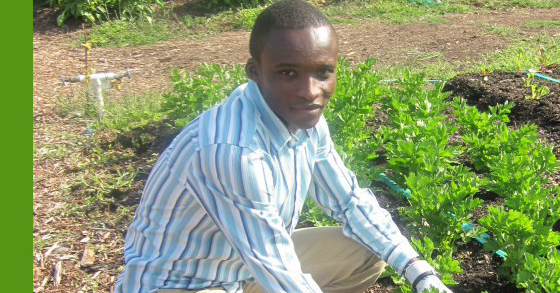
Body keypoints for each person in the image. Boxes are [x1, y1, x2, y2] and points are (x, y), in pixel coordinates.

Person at [113, 1, 452, 292]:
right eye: (288, 73)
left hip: (242, 271)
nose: (310, 90)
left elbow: (349, 202)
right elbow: (274, 263)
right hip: (181, 283)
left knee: (363, 253)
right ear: (255, 72)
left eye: (323, 72)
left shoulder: (308, 122)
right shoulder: (232, 150)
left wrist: (419, 272)